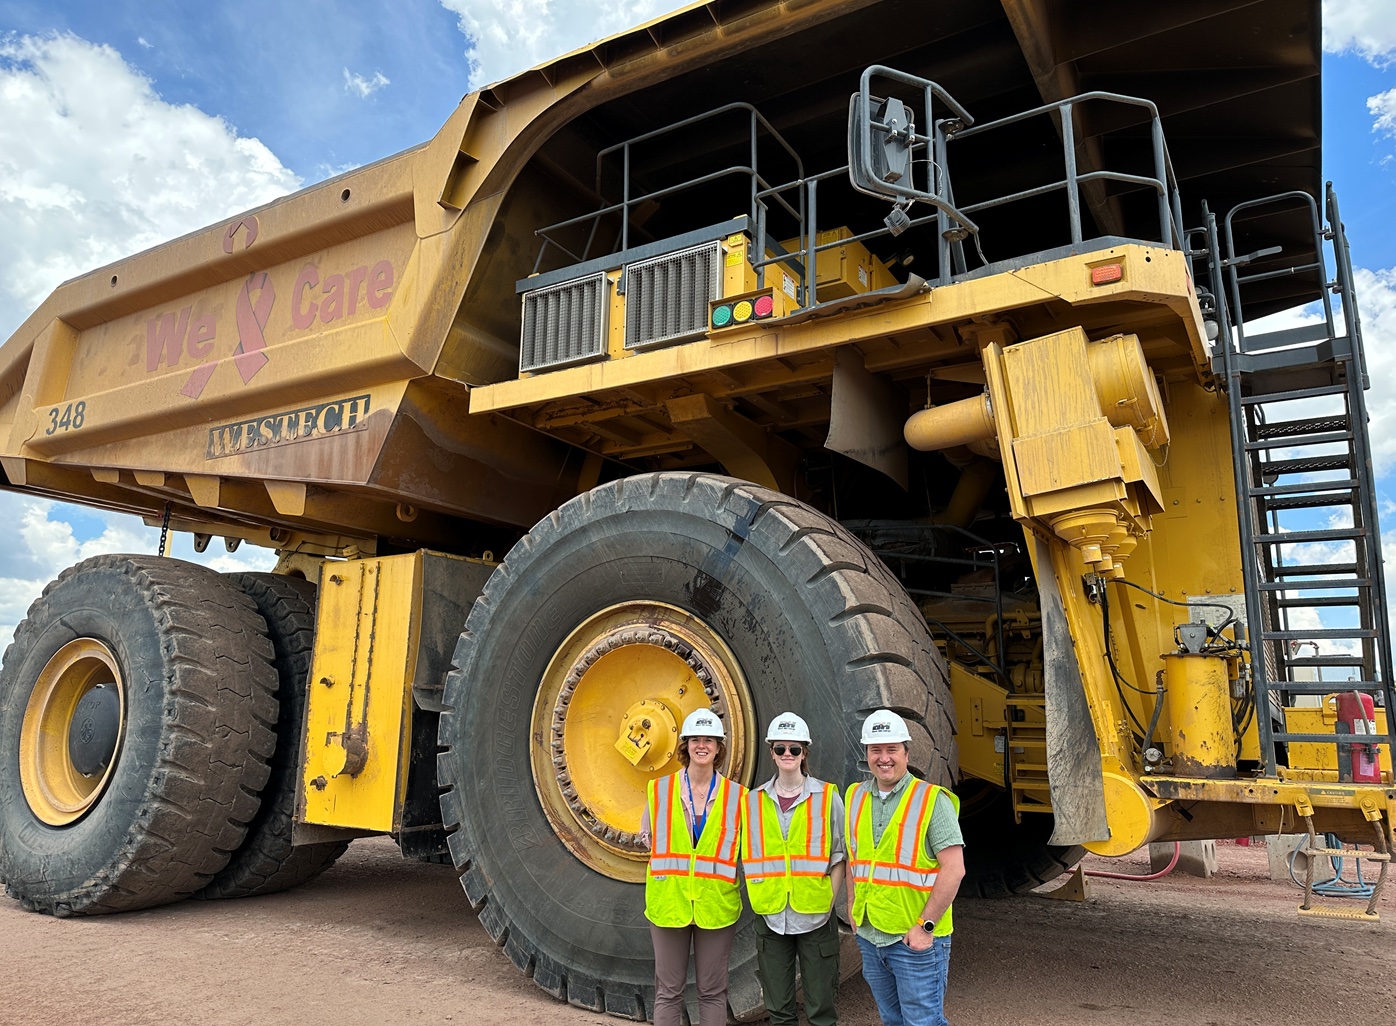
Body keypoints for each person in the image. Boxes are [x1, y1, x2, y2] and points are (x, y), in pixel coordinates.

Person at [845, 709, 964, 1026]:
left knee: (923, 1022)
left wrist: (926, 927)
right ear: (867, 754)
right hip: (871, 936)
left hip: (915, 941)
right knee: (892, 1020)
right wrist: (853, 905)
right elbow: (853, 858)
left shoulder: (931, 800)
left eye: (891, 749)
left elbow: (954, 869)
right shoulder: (855, 796)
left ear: (906, 753)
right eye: (875, 749)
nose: (884, 758)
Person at [643, 708, 746, 1026]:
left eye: (710, 740)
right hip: (669, 905)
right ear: (685, 745)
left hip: (715, 906)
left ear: (719, 747)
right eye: (696, 740)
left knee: (713, 992)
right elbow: (648, 839)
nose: (702, 745)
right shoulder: (658, 790)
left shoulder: (738, 797)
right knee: (668, 992)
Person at [741, 712, 846, 1026]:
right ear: (772, 753)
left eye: (795, 749)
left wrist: (830, 901)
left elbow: (839, 856)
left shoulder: (828, 798)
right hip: (771, 917)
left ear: (805, 753)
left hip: (816, 915)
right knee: (779, 1011)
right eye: (781, 748)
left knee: (821, 1011)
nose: (788, 754)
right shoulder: (752, 802)